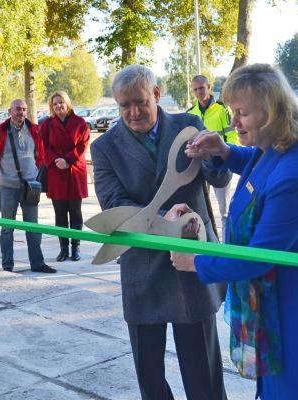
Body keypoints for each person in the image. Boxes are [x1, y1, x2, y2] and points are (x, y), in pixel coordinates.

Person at [169, 63, 298, 399]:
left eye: (241, 113)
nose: (232, 123)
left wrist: (195, 262)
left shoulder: (295, 175)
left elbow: (256, 259)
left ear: (271, 113)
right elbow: (259, 164)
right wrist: (225, 152)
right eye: (231, 112)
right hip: (280, 302)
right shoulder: (280, 145)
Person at [90, 64, 230, 400]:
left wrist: (214, 153)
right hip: (143, 265)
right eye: (124, 106)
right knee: (150, 376)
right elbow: (114, 203)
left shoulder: (189, 126)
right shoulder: (105, 147)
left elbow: (220, 179)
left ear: (156, 94)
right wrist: (164, 218)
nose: (133, 112)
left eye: (140, 102)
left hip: (192, 261)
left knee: (203, 373)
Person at [0, 99, 56, 273]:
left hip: (30, 186)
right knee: (7, 228)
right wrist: (0, 179)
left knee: (33, 227)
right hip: (8, 187)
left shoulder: (35, 129)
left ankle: (37, 263)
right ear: (10, 111)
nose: (21, 113)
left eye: (24, 109)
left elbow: (40, 154)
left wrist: (33, 173)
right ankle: (7, 265)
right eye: (18, 109)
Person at [40, 91, 90, 262]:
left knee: (75, 212)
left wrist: (68, 160)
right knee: (59, 213)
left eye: (61, 102)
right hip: (56, 172)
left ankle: (75, 248)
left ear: (67, 103)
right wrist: (55, 160)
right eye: (55, 104)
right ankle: (63, 248)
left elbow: (83, 145)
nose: (58, 106)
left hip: (74, 170)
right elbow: (43, 147)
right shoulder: (47, 124)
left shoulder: (80, 122)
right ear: (51, 107)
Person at [187, 75, 237, 240]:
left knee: (224, 210)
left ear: (209, 87)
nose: (199, 92)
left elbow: (232, 136)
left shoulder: (222, 110)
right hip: (199, 167)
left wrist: (228, 158)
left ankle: (226, 246)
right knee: (201, 209)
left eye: (202, 88)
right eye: (195, 89)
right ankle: (209, 243)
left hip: (220, 166)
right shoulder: (190, 113)